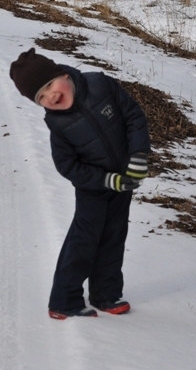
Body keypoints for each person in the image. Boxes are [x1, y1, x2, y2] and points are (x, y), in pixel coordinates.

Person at [9, 47, 151, 320]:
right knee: (84, 240)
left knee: (114, 237)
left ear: (63, 74)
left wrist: (139, 157)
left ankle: (106, 294)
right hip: (93, 188)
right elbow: (67, 166)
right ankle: (64, 299)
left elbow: (134, 117)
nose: (50, 95)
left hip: (126, 179)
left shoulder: (100, 85)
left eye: (50, 84)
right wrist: (105, 180)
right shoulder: (57, 125)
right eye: (40, 97)